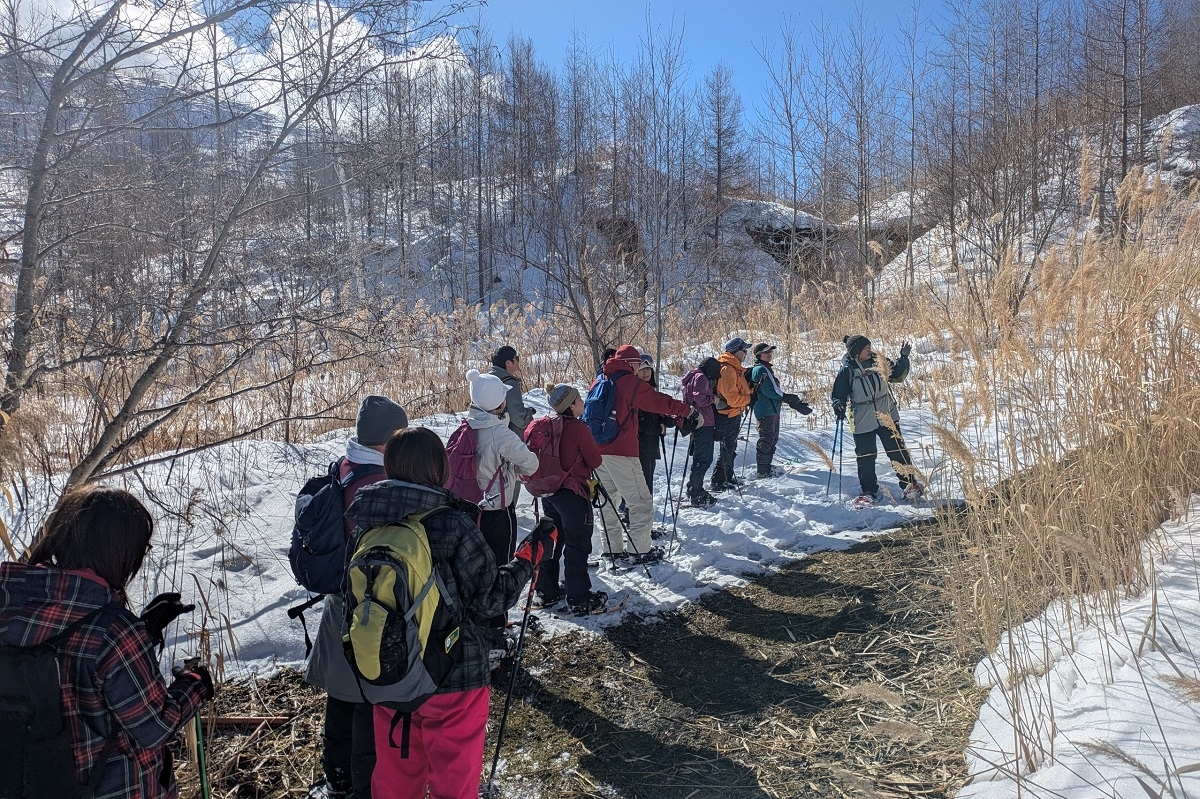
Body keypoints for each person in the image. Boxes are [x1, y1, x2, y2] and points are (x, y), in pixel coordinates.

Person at [348, 427, 555, 799]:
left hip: (390, 671)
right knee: (453, 784)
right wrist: (529, 557)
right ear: (439, 469)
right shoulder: (454, 524)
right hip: (455, 677)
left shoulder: (367, 523)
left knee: (395, 782)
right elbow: (491, 599)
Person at [0, 485, 213, 799]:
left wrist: (145, 631)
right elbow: (154, 727)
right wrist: (196, 684)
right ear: (120, 553)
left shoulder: (12, 604)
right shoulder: (113, 632)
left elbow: (65, 663)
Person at [305, 395, 408, 799]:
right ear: (390, 438)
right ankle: (364, 786)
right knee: (368, 700)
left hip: (338, 603)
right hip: (369, 609)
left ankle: (337, 779)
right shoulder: (377, 484)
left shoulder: (346, 466)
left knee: (341, 698)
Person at [592, 345, 695, 563]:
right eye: (638, 364)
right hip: (622, 451)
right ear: (631, 363)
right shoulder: (628, 382)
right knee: (640, 502)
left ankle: (612, 548)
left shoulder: (600, 379)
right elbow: (658, 401)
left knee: (608, 502)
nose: (640, 369)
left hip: (599, 451)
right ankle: (639, 551)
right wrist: (688, 411)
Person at [464, 369, 538, 637]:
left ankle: (477, 621)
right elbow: (531, 463)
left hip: (471, 508)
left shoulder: (468, 425)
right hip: (497, 510)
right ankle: (496, 626)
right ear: (499, 403)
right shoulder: (500, 433)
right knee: (500, 567)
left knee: (476, 568)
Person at [538, 383, 608, 615]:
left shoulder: (548, 425)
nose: (583, 402)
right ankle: (578, 598)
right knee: (577, 544)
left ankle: (546, 592)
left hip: (549, 491)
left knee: (552, 541)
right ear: (570, 405)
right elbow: (595, 461)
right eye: (579, 399)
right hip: (573, 492)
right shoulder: (578, 429)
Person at [830, 335, 924, 506]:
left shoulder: (879, 361)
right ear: (856, 352)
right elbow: (838, 394)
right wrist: (838, 405)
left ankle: (909, 484)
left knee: (897, 450)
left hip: (887, 413)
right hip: (862, 417)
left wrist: (903, 358)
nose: (869, 350)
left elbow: (897, 376)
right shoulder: (847, 370)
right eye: (865, 348)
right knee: (866, 456)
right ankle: (869, 492)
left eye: (869, 346)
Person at [747, 344, 812, 478]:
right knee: (766, 439)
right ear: (758, 354)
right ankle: (763, 471)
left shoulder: (766, 369)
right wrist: (789, 398)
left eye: (770, 351)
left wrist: (791, 401)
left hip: (772, 409)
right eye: (766, 352)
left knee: (772, 439)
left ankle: (766, 467)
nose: (769, 354)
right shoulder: (760, 369)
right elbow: (771, 391)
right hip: (765, 409)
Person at [711, 337, 754, 491]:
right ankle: (718, 481)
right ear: (736, 351)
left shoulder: (735, 368)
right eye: (744, 350)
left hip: (732, 413)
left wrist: (750, 392)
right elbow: (732, 398)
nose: (746, 353)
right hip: (727, 414)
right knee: (727, 448)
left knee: (730, 446)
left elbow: (739, 392)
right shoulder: (728, 369)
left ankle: (726, 478)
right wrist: (749, 399)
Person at [681, 356, 721, 507]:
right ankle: (696, 491)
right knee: (703, 458)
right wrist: (714, 399)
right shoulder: (701, 378)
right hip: (704, 421)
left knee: (700, 456)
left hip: (696, 421)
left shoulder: (691, 377)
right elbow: (700, 399)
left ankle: (693, 486)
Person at [635, 353, 669, 493]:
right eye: (642, 369)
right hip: (639, 445)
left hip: (650, 444)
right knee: (642, 482)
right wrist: (657, 428)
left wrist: (667, 420)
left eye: (648, 369)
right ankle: (639, 513)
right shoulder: (634, 392)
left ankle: (645, 511)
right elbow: (638, 422)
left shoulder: (651, 391)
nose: (646, 373)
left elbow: (654, 415)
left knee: (647, 479)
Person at [488, 345, 534, 439]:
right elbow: (518, 418)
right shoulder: (509, 382)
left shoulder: (486, 380)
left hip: (490, 436)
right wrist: (529, 413)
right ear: (508, 363)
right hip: (510, 439)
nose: (518, 361)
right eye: (516, 358)